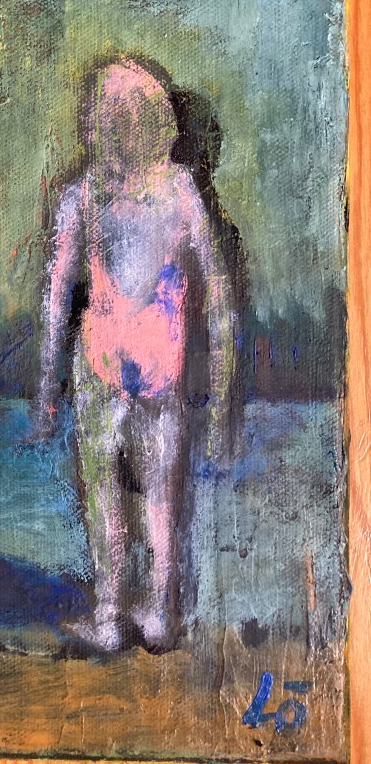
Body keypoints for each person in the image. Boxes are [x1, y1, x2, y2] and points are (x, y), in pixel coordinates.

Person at [37, 57, 236, 652]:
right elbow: (216, 290)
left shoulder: (99, 193)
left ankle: (120, 613)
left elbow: (57, 301)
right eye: (111, 117)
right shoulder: (167, 191)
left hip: (117, 362)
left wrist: (47, 389)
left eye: (121, 117)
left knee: (121, 494)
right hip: (141, 363)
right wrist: (220, 395)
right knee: (147, 496)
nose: (115, 128)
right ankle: (146, 612)